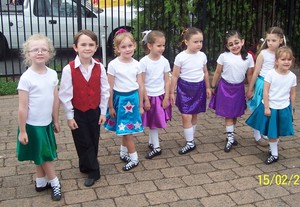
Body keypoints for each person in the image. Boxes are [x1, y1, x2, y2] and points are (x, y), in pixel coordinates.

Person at [59, 30, 110, 187]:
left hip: (94, 110)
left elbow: (105, 90)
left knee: (93, 139)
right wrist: (69, 116)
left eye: (91, 45)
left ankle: (86, 164)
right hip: (78, 112)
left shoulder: (100, 67)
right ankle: (94, 171)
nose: (87, 48)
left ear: (95, 48)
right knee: (83, 141)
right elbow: (65, 94)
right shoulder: (69, 69)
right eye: (83, 45)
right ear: (75, 47)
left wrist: (103, 112)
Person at [16, 34, 62, 201]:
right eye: (35, 50)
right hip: (32, 125)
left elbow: (55, 99)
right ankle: (55, 182)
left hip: (46, 123)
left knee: (39, 153)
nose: (40, 52)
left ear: (50, 53)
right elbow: (22, 107)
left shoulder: (51, 74)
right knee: (45, 155)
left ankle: (41, 181)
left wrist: (55, 120)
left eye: (44, 49)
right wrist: (22, 130)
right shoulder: (26, 78)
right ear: (28, 54)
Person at [246, 46, 296, 164]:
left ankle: (273, 150)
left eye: (289, 59)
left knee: (276, 131)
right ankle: (274, 154)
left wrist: (292, 108)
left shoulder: (292, 76)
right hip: (270, 107)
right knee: (270, 131)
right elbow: (266, 91)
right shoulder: (270, 74)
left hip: (283, 107)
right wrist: (267, 107)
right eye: (283, 59)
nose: (286, 62)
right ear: (276, 61)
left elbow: (292, 94)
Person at [103, 29, 144, 171]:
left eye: (130, 46)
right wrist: (110, 107)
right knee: (124, 128)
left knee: (127, 130)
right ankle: (124, 153)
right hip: (119, 100)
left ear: (134, 46)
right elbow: (110, 87)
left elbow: (140, 85)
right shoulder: (113, 65)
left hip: (133, 99)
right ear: (117, 49)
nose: (127, 49)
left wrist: (141, 104)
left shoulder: (137, 64)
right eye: (123, 47)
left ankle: (134, 159)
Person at [209, 30, 254, 153]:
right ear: (227, 46)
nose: (234, 46)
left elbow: (250, 75)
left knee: (235, 114)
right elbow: (218, 72)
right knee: (228, 114)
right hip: (225, 88)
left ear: (242, 42)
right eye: (230, 44)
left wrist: (250, 89)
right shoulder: (224, 56)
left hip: (238, 89)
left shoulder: (249, 57)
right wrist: (213, 86)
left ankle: (231, 135)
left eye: (236, 42)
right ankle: (229, 138)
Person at [170, 27, 211, 155]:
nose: (199, 44)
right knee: (185, 115)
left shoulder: (202, 55)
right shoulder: (180, 57)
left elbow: (205, 72)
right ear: (186, 42)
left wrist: (208, 87)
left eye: (201, 41)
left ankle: (191, 139)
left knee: (194, 114)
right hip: (184, 89)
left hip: (199, 88)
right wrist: (172, 92)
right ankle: (190, 142)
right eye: (195, 41)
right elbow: (175, 75)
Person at [246, 27, 285, 147]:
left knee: (272, 109)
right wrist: (250, 88)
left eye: (273, 40)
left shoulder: (282, 54)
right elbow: (256, 72)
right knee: (260, 108)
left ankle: (268, 132)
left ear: (281, 40)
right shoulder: (263, 54)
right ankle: (257, 135)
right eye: (268, 40)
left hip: (276, 86)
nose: (270, 43)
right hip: (262, 84)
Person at [139, 30, 172, 159]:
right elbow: (141, 82)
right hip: (149, 96)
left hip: (160, 96)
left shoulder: (164, 61)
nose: (162, 48)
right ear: (149, 46)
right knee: (151, 121)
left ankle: (156, 147)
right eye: (159, 45)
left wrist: (167, 97)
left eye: (163, 45)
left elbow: (167, 80)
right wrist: (145, 99)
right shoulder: (143, 62)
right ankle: (153, 143)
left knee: (154, 122)